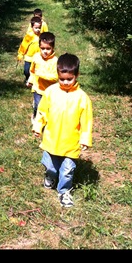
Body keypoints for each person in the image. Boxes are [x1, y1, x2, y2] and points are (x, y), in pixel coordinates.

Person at [32, 53, 93, 208]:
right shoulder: (51, 92)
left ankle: (64, 191)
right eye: (62, 79)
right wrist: (38, 126)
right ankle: (50, 176)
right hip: (52, 139)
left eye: (69, 79)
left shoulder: (82, 97)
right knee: (51, 167)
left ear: (77, 75)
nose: (65, 82)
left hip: (70, 143)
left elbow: (86, 121)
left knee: (67, 170)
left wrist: (85, 139)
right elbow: (42, 111)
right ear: (57, 75)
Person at [26, 32, 58, 121]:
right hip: (38, 88)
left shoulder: (55, 61)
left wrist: (42, 75)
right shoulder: (36, 57)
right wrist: (30, 80)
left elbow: (56, 77)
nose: (45, 51)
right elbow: (32, 71)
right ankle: (35, 117)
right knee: (38, 105)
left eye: (48, 48)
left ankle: (46, 120)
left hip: (49, 90)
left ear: (53, 48)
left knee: (48, 107)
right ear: (39, 47)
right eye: (42, 48)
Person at [17, 16, 42, 84]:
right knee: (26, 70)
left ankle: (35, 82)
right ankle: (27, 78)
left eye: (39, 28)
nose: (38, 30)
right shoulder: (29, 36)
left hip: (38, 57)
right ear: (32, 27)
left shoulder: (41, 36)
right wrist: (20, 54)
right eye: (36, 28)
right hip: (29, 57)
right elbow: (23, 45)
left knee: (37, 70)